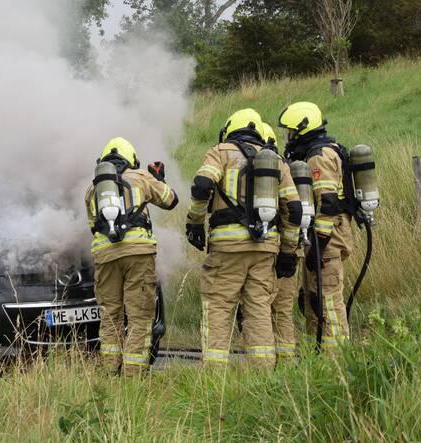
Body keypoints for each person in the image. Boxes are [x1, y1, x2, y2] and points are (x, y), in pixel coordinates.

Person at [185, 109, 302, 367]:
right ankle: (263, 377)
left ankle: (215, 379)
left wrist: (194, 223)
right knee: (259, 309)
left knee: (218, 307)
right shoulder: (276, 161)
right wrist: (288, 252)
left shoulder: (220, 151)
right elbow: (294, 209)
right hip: (265, 248)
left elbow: (202, 185)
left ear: (229, 129)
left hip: (227, 249)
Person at [85, 137, 178, 375]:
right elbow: (170, 200)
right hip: (138, 254)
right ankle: (132, 376)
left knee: (110, 316)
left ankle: (110, 371)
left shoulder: (92, 190)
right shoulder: (141, 178)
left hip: (105, 256)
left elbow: (94, 226)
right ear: (131, 160)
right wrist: (158, 179)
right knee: (139, 316)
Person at [278, 101, 354, 349]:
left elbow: (329, 203)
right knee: (313, 299)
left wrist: (319, 245)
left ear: (303, 129)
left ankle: (337, 362)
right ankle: (317, 358)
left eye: (291, 132)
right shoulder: (320, 151)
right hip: (324, 237)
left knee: (328, 300)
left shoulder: (318, 156)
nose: (288, 138)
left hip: (328, 238)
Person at [260, 122, 303, 361]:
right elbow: (295, 212)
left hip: (267, 250)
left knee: (260, 308)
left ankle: (265, 365)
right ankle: (286, 365)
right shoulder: (284, 168)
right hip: (290, 251)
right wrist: (290, 251)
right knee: (283, 312)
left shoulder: (262, 171)